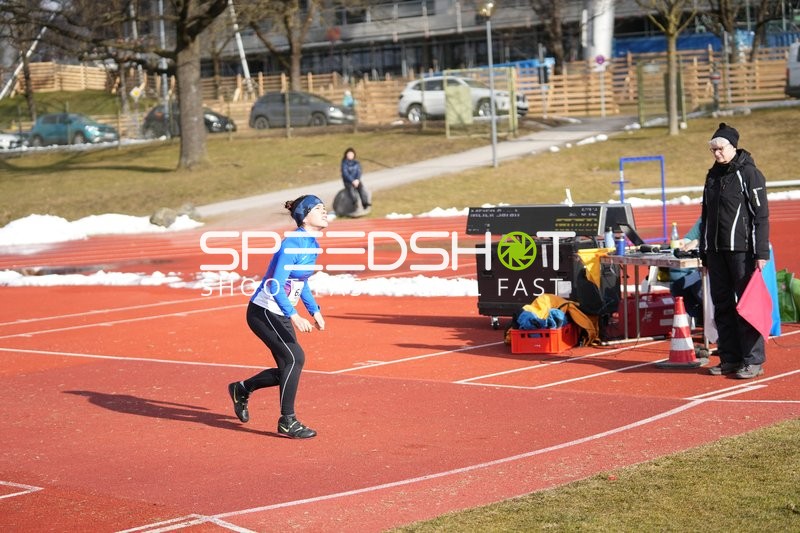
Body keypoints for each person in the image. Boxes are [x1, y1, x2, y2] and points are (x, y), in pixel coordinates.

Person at [228, 194, 328, 439]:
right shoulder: (292, 244)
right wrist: (295, 316)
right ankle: (287, 420)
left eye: (325, 208)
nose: (325, 211)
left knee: (289, 364)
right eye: (318, 208)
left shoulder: (311, 244)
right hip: (264, 312)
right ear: (304, 216)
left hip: (280, 312)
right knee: (295, 358)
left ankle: (242, 388)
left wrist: (314, 310)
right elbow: (275, 285)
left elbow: (300, 281)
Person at [700, 123, 770, 379]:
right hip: (716, 252)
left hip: (742, 251)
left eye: (720, 148)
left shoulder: (750, 174)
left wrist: (761, 253)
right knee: (722, 306)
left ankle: (753, 360)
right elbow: (705, 216)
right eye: (712, 149)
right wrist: (704, 252)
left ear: (733, 146)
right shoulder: (712, 176)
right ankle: (729, 358)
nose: (716, 154)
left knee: (746, 306)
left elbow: (760, 215)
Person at [669, 217, 703, 326]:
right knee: (677, 285)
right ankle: (699, 318)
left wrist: (697, 242)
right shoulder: (704, 217)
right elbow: (689, 238)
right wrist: (682, 244)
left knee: (699, 289)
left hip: (718, 271)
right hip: (703, 271)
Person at [341, 147, 370, 213]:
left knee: (361, 189)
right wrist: (352, 181)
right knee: (351, 190)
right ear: (346, 155)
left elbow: (359, 172)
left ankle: (365, 203)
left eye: (351, 154)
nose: (350, 155)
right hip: (348, 181)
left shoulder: (357, 163)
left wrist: (357, 180)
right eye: (349, 154)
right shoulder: (344, 163)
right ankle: (354, 202)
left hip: (356, 180)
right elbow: (345, 173)